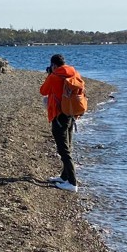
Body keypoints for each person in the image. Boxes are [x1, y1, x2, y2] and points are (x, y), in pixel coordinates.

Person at [39, 53, 81, 192]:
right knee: (68, 145)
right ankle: (64, 176)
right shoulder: (74, 72)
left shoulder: (54, 76)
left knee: (63, 149)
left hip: (58, 114)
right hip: (71, 112)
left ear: (54, 65)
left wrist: (50, 75)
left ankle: (72, 182)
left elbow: (43, 91)